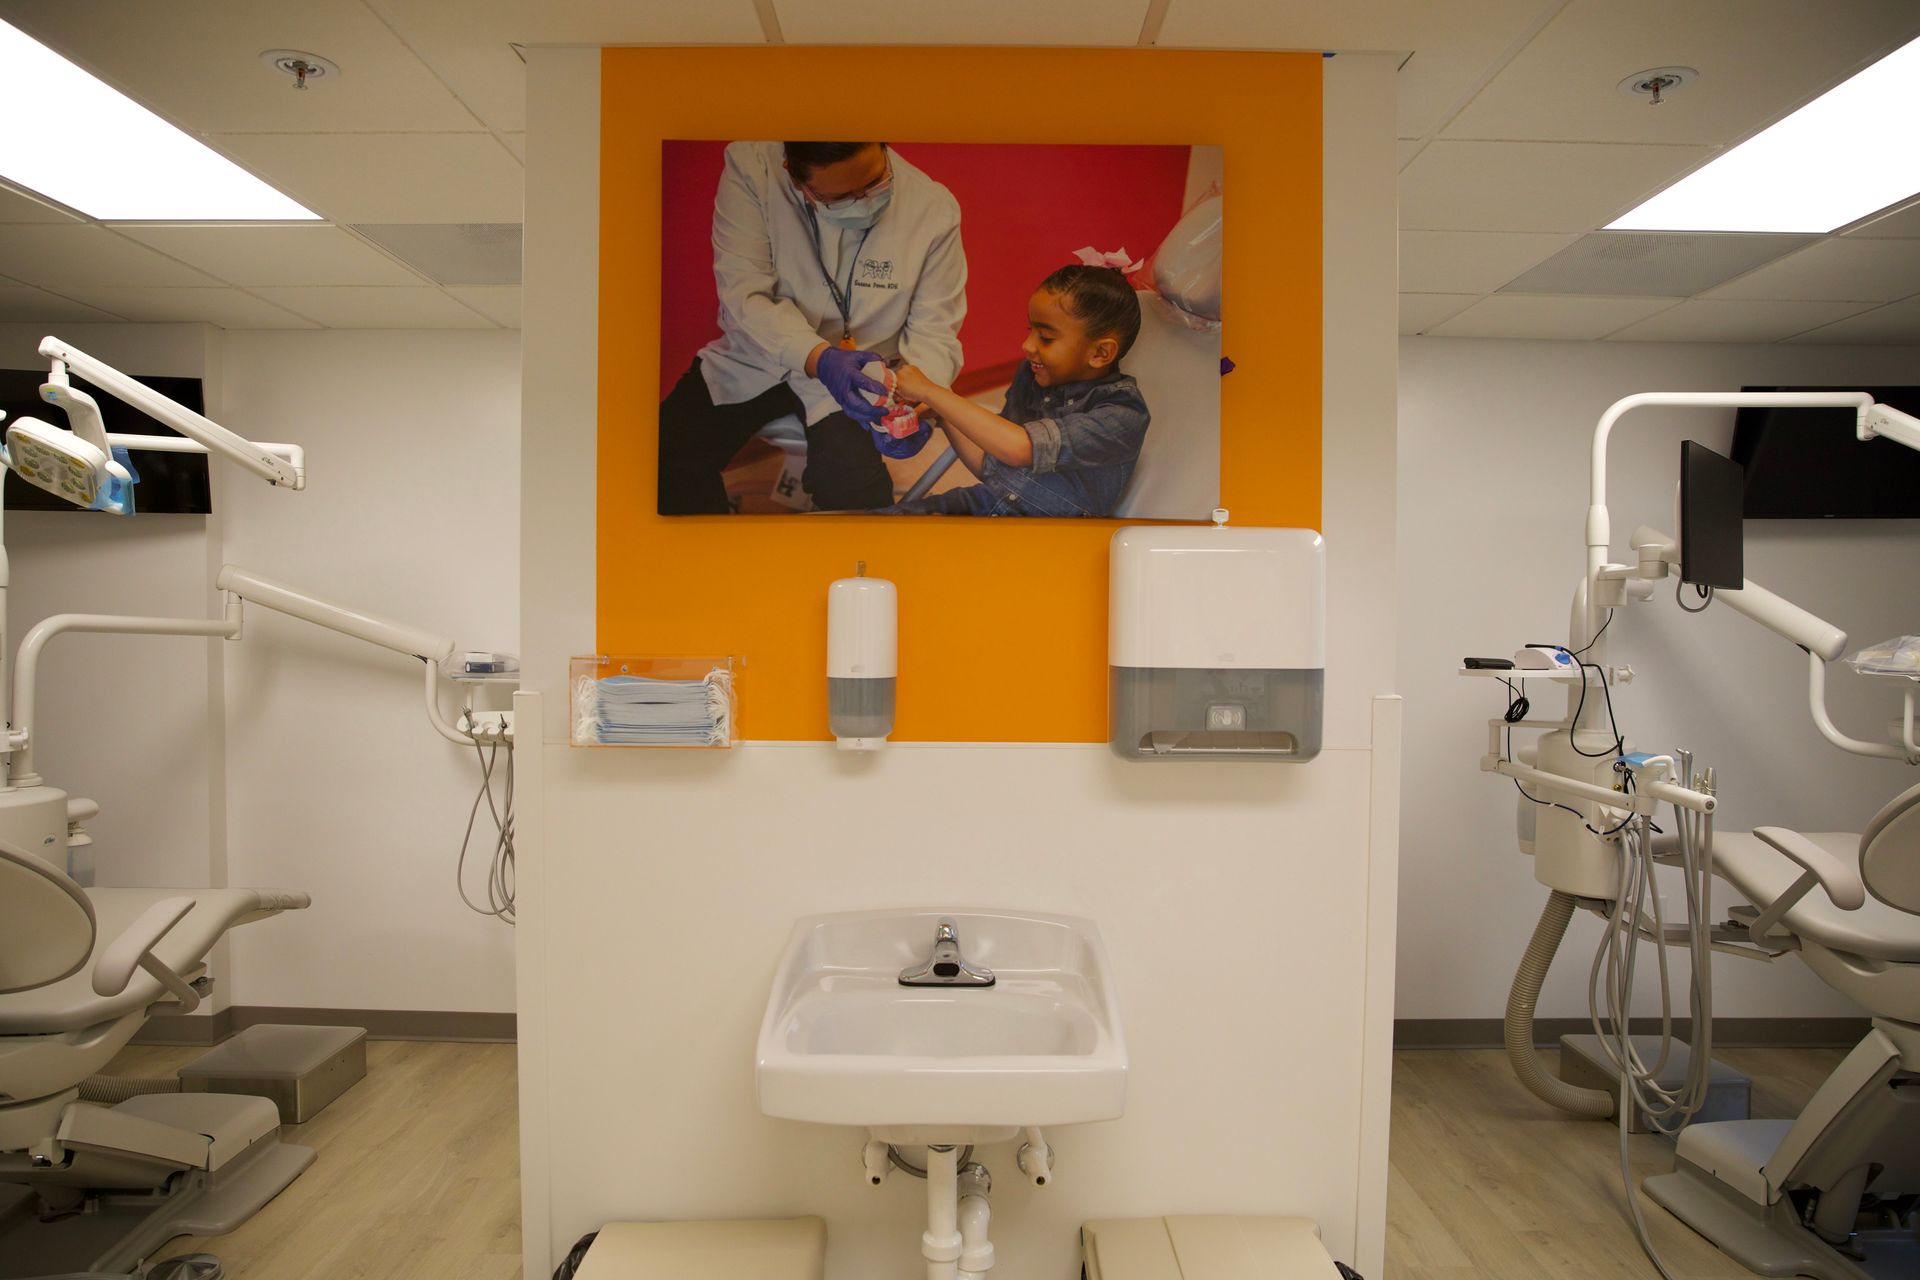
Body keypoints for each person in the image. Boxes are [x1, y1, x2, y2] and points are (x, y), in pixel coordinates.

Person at [657, 141, 966, 513]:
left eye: (875, 183)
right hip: (757, 356)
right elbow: (745, 295)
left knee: (855, 490)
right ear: (794, 177)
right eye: (839, 198)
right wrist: (819, 358)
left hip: (861, 375)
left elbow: (935, 330)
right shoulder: (752, 169)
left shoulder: (933, 210)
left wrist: (917, 399)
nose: (863, 202)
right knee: (663, 455)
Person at [886, 264, 1148, 517]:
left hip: (1048, 535)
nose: (1027, 345)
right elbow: (993, 461)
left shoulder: (1121, 416)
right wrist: (942, 412)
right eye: (1030, 330)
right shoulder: (1033, 376)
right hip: (994, 502)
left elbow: (1018, 449)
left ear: (1100, 353)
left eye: (1045, 338)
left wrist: (932, 392)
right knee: (881, 523)